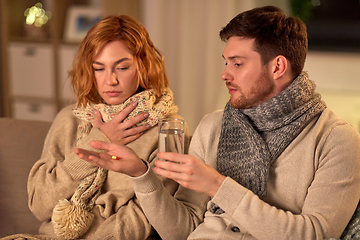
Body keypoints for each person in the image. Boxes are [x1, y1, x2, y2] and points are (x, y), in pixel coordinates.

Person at [75, 6, 360, 240]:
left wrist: (218, 185)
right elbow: (181, 231)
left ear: (277, 67)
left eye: (237, 63)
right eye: (225, 62)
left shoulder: (336, 140)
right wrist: (141, 175)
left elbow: (317, 234)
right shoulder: (213, 126)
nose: (224, 74)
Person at [6, 15, 191, 240]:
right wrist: (99, 140)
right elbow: (39, 205)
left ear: (143, 66)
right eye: (99, 68)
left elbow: (145, 218)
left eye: (122, 67)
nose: (110, 80)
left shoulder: (167, 128)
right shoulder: (70, 119)